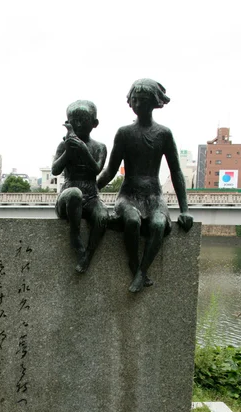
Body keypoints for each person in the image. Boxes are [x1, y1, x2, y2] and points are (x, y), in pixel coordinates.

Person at [97, 79, 193, 292]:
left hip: (153, 196)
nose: (138, 104)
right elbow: (110, 171)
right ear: (130, 102)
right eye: (135, 100)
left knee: (158, 225)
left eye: (143, 100)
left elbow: (176, 172)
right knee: (131, 220)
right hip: (128, 195)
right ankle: (133, 263)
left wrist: (185, 210)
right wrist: (92, 189)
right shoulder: (124, 133)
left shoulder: (164, 134)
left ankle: (141, 272)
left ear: (154, 103)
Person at [52, 100, 108, 273]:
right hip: (69, 195)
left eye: (83, 120)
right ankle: (75, 236)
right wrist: (68, 152)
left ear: (94, 123)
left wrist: (83, 150)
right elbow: (55, 170)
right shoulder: (64, 145)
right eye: (74, 121)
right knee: (75, 193)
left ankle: (87, 256)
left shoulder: (99, 147)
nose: (78, 124)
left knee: (103, 217)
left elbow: (97, 169)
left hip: (91, 195)